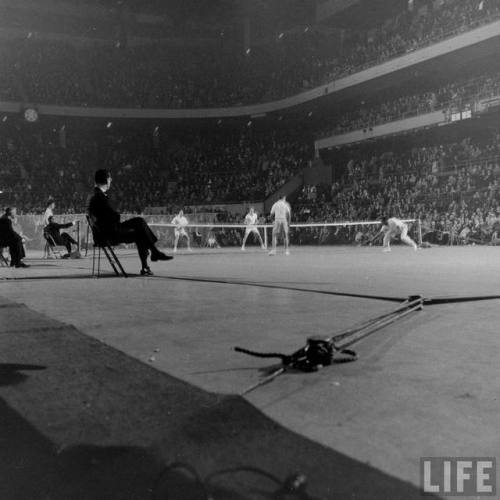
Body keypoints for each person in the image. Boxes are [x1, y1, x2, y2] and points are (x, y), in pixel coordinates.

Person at [88, 169, 172, 276]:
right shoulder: (99, 197)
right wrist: (116, 215)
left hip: (107, 231)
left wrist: (115, 215)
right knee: (140, 232)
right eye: (110, 178)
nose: (111, 180)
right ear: (105, 180)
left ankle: (154, 253)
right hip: (110, 234)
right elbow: (113, 216)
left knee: (139, 221)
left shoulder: (97, 195)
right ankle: (149, 260)